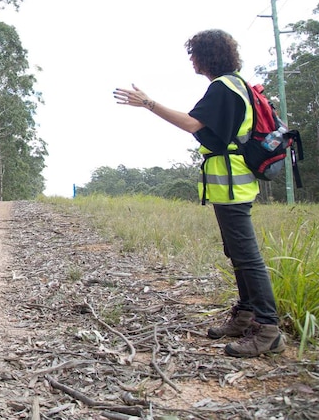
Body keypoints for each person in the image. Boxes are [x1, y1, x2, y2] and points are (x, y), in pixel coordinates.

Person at [113, 29, 286, 358]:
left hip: (233, 183)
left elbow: (192, 124)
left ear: (208, 56)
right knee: (237, 253)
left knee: (247, 257)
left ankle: (268, 329)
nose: (191, 60)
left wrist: (148, 103)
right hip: (233, 181)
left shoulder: (223, 87)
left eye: (194, 54)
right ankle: (248, 314)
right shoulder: (237, 85)